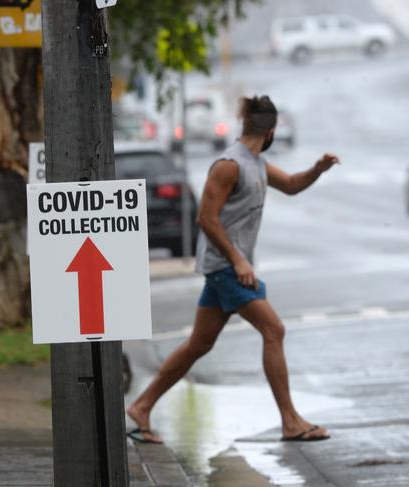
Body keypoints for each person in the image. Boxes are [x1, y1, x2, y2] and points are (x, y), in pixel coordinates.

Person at [127, 95, 340, 443]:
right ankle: (290, 420)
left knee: (198, 344)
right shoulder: (229, 164)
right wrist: (238, 260)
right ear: (270, 130)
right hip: (227, 268)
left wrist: (317, 169)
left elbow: (290, 185)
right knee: (274, 330)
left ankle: (142, 406)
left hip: (229, 267)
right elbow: (205, 219)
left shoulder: (256, 163)